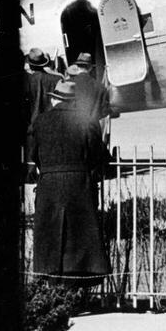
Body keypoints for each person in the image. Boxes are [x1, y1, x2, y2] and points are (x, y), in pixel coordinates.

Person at [27, 78, 110, 287]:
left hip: (49, 184)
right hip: (79, 183)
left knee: (51, 235)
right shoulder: (87, 120)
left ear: (55, 99)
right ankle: (75, 286)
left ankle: (54, 283)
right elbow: (96, 154)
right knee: (78, 237)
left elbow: (34, 154)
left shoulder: (40, 121)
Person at [25, 47, 60, 135]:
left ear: (30, 65)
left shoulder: (26, 81)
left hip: (34, 128)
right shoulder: (56, 79)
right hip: (54, 126)